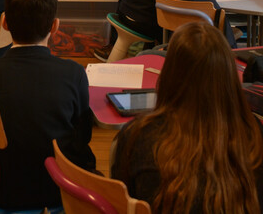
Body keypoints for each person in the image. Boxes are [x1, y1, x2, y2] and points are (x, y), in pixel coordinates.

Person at [111, 22, 263, 213]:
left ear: (169, 74)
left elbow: (122, 203)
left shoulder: (137, 136)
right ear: (229, 76)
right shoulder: (255, 133)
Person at [0, 0, 96, 210]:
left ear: (5, 23)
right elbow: (83, 136)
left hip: (3, 189)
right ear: (55, 26)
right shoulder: (74, 73)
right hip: (59, 188)